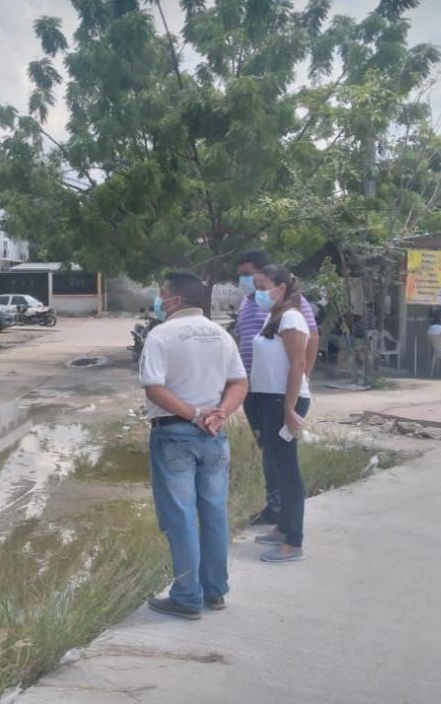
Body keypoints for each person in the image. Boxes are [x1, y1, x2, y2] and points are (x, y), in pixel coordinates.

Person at [139, 272, 249, 619]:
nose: (159, 301)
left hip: (175, 435)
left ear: (175, 300)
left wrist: (196, 415)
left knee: (180, 516)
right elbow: (239, 382)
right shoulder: (221, 335)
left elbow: (154, 388)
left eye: (161, 295)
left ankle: (187, 597)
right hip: (214, 437)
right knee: (214, 512)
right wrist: (220, 415)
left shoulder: (161, 335)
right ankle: (214, 591)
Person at [235, 250, 319, 526]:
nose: (245, 282)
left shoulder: (292, 310)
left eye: (250, 276)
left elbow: (305, 346)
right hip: (256, 391)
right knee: (269, 450)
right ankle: (275, 510)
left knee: (284, 462)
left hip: (279, 393)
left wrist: (298, 385)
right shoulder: (254, 307)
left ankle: (290, 529)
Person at [246, 266, 312, 563]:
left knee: (288, 472)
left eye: (263, 285)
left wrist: (289, 407)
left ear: (281, 287)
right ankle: (282, 529)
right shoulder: (274, 316)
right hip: (267, 400)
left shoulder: (292, 317)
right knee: (276, 464)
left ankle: (294, 542)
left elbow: (298, 366)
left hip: (282, 401)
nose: (258, 291)